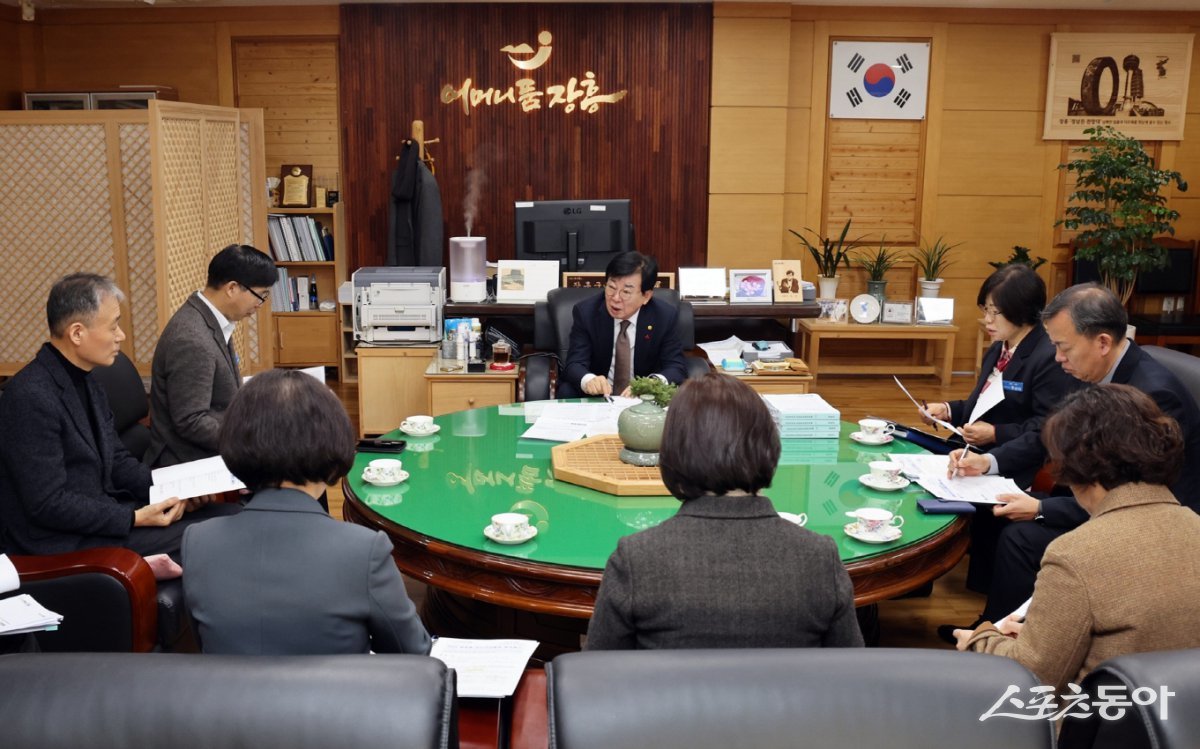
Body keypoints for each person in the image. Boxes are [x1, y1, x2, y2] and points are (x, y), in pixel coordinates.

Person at [944, 283, 1200, 634]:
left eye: (1063, 347)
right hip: (1103, 501)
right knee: (1001, 514)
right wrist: (989, 462)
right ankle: (994, 628)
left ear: (1103, 342)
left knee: (1022, 539)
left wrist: (1042, 508)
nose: (1057, 358)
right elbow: (1050, 433)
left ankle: (1010, 643)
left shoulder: (1153, 396)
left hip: (1150, 530)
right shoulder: (1095, 370)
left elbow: (1135, 501)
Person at [585, 373, 864, 650]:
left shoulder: (637, 558)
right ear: (769, 445)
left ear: (672, 451)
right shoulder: (819, 556)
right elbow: (849, 676)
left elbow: (599, 676)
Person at [954, 385, 1200, 692]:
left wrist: (981, 640)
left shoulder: (1075, 554)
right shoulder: (1194, 526)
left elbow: (1033, 678)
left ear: (1075, 465)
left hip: (1099, 726)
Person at [182, 369, 431, 655]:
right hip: (335, 699)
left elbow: (206, 644)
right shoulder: (363, 551)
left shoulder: (198, 542)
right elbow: (412, 652)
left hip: (231, 699)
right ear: (331, 442)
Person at [0, 274, 233, 559]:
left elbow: (118, 461)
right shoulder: (30, 396)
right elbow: (47, 503)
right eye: (113, 326)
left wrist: (173, 491)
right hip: (62, 542)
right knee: (220, 535)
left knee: (230, 515)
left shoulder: (87, 380)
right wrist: (133, 518)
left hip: (104, 516)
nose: (121, 335)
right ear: (77, 333)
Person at [920, 265, 1080, 600]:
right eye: (986, 310)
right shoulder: (1000, 348)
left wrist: (994, 436)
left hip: (1022, 460)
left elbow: (1046, 426)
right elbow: (982, 404)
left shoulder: (1046, 357)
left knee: (951, 481)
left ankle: (979, 592)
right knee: (918, 462)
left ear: (1023, 311)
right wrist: (948, 410)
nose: (988, 321)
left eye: (996, 312)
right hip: (980, 449)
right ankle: (918, 574)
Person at [145, 244, 276, 468]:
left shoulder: (211, 319)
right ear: (232, 288)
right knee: (297, 465)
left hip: (216, 441)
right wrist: (252, 440)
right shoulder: (192, 339)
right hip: (188, 459)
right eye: (260, 296)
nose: (259, 305)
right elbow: (190, 421)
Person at [560, 252, 688, 399]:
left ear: (646, 296)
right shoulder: (587, 313)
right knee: (566, 390)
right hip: (600, 397)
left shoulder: (664, 316)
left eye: (626, 292)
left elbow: (676, 367)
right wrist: (589, 380)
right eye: (611, 287)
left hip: (643, 400)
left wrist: (649, 384)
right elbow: (574, 364)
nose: (615, 298)